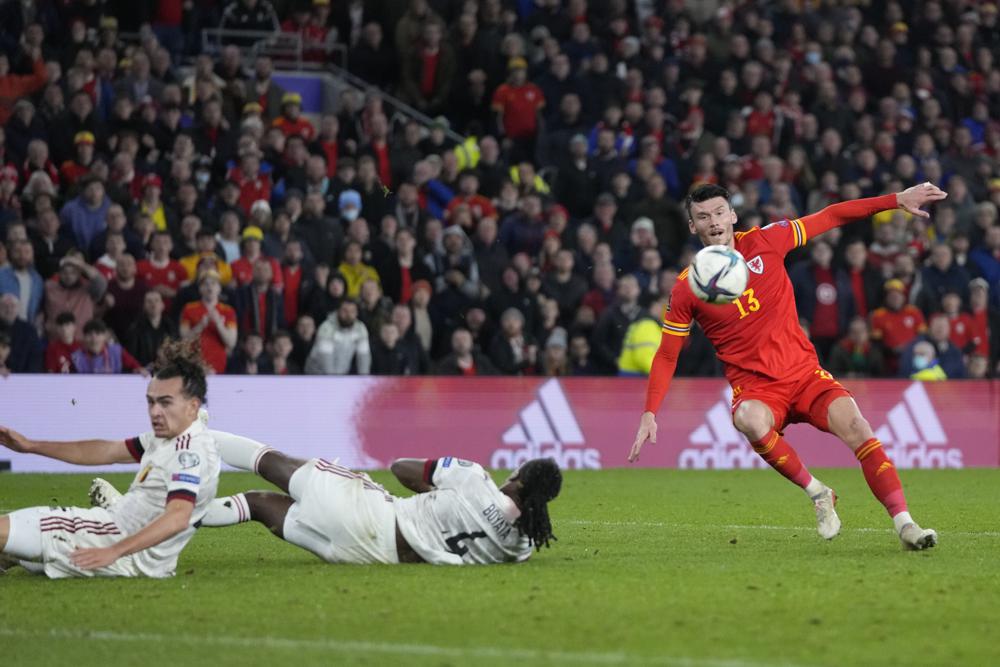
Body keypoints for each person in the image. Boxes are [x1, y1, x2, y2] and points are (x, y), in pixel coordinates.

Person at [629, 182, 946, 550]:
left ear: (732, 215)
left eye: (718, 212)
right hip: (758, 390)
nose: (713, 222)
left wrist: (895, 200)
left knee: (858, 427)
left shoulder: (767, 241)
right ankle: (818, 493)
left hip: (805, 375)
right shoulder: (687, 288)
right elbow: (667, 354)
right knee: (748, 419)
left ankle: (906, 525)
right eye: (703, 217)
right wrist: (650, 412)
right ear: (692, 226)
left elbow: (831, 215)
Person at [93, 434, 561, 566]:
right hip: (368, 556)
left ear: (519, 480)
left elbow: (401, 468)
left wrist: (438, 490)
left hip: (370, 513)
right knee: (257, 505)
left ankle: (195, 436)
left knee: (268, 462)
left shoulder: (475, 480)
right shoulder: (521, 546)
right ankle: (136, 518)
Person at [0, 343, 221, 578]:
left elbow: (178, 517)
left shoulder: (188, 452)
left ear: (192, 406)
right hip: (121, 545)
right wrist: (30, 446)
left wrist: (114, 551)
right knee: (10, 548)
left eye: (165, 402)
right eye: (151, 402)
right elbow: (106, 451)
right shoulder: (169, 437)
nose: (154, 411)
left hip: (108, 540)